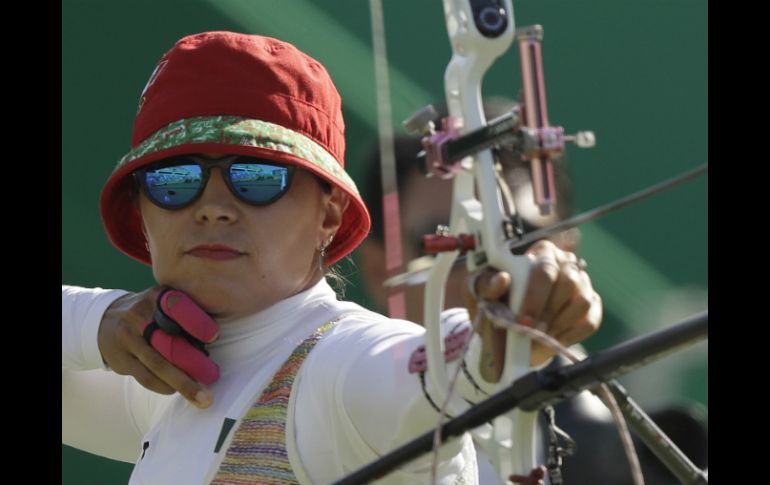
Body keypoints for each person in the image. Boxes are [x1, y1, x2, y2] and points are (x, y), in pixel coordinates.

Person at [62, 31, 602, 484]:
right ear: (143, 211)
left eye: (257, 177)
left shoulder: (335, 367)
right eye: (175, 180)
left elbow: (426, 374)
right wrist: (98, 322)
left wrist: (499, 337)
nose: (214, 209)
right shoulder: (166, 386)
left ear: (329, 214)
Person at [357, 126, 707, 484]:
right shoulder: (326, 435)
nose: (490, 272)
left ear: (566, 253)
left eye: (520, 236)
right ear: (380, 270)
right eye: (451, 243)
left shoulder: (642, 468)